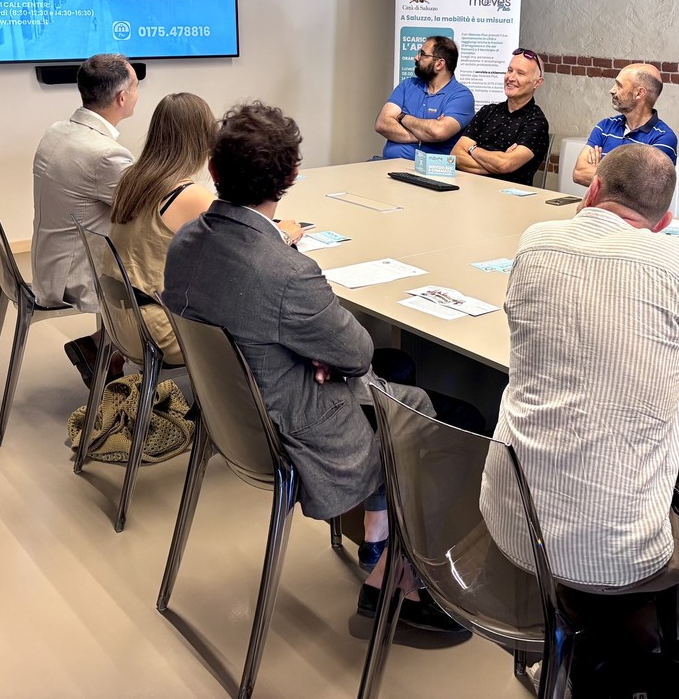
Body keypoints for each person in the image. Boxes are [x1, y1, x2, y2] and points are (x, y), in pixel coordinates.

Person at [162, 101, 465, 635]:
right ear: (291, 177)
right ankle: (397, 584)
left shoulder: (185, 241)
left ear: (212, 169)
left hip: (229, 416)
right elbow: (357, 353)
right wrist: (320, 355)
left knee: (395, 370)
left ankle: (379, 533)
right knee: (438, 414)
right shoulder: (287, 273)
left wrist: (313, 352)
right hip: (287, 433)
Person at [481, 144, 679, 646]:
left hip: (510, 522)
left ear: (593, 189)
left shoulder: (535, 241)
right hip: (616, 556)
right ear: (663, 222)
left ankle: (592, 628)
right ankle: (631, 644)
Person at [109, 93, 306, 365]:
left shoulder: (132, 178)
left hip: (119, 316)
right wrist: (282, 234)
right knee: (264, 322)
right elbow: (248, 256)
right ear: (204, 139)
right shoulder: (188, 195)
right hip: (159, 330)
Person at [32, 53, 138, 384]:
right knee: (168, 272)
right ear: (122, 97)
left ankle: (105, 349)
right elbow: (145, 211)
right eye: (136, 86)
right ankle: (106, 347)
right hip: (78, 272)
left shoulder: (58, 131)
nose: (137, 93)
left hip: (51, 259)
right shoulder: (105, 154)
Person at [452, 48, 549, 185]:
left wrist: (472, 149)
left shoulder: (536, 122)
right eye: (510, 70)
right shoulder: (487, 111)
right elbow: (455, 155)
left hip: (509, 195)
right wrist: (496, 167)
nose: (511, 78)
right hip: (469, 188)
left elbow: (505, 164)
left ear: (537, 83)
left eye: (520, 73)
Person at [572, 63, 677, 187]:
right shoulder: (605, 126)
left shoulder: (663, 138)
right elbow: (579, 173)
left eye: (619, 85)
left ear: (639, 93)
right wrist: (623, 177)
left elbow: (640, 187)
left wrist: (600, 169)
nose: (612, 90)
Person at [374, 35, 475, 160]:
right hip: (387, 162)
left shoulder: (461, 96)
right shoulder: (407, 85)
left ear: (439, 64)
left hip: (430, 169)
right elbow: (382, 123)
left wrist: (402, 117)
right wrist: (423, 135)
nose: (416, 58)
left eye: (422, 54)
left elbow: (438, 131)